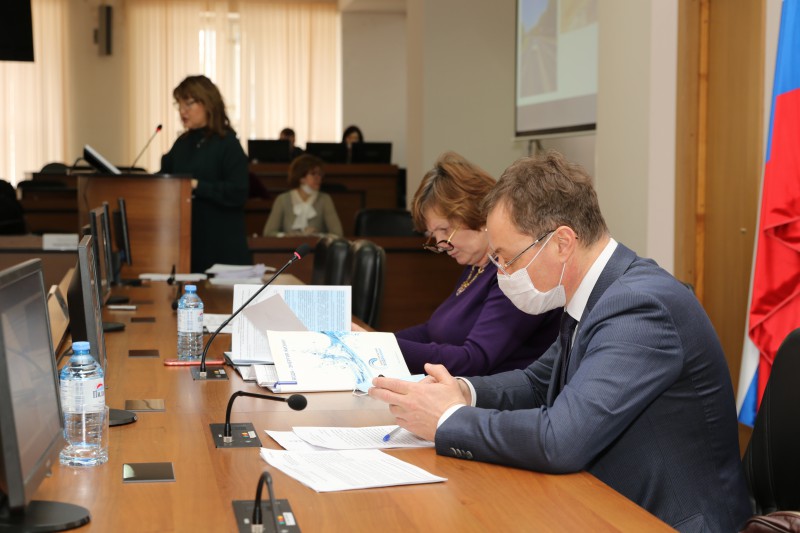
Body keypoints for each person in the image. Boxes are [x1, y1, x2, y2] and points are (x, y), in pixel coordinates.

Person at [369, 151, 752, 532]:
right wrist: (463, 392)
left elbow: (562, 440)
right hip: (605, 501)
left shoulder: (639, 308)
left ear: (562, 242)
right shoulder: (595, 292)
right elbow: (538, 383)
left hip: (665, 521)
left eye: (507, 258)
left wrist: (448, 419)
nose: (501, 273)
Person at [370, 152, 559, 376]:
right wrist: (377, 343)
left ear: (475, 213)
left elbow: (474, 359)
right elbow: (432, 331)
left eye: (444, 230)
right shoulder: (476, 267)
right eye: (433, 234)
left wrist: (384, 349)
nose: (440, 244)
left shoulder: (511, 272)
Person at [159, 75, 251, 273]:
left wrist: (197, 186)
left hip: (221, 248)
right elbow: (164, 178)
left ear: (208, 103)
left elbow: (238, 192)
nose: (182, 111)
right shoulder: (182, 143)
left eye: (188, 104)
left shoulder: (228, 144)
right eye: (179, 104)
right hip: (188, 245)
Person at [262, 154, 343, 237]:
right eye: (313, 174)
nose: (318, 178)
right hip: (289, 245)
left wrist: (318, 235)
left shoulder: (324, 199)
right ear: (301, 177)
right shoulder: (282, 199)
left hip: (315, 245)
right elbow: (268, 233)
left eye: (320, 174)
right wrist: (287, 236)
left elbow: (337, 233)